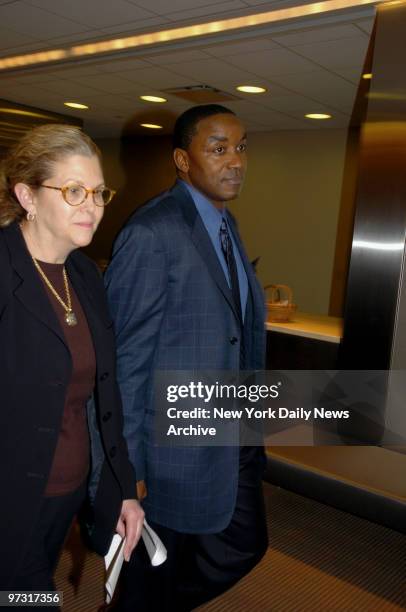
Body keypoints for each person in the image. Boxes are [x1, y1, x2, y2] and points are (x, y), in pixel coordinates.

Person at [105, 104, 268, 611]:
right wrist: (125, 466)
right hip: (169, 449)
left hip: (226, 431)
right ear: (181, 159)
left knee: (240, 543)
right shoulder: (152, 232)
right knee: (152, 572)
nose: (235, 161)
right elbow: (124, 361)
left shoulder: (226, 224)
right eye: (218, 148)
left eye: (240, 148)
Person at [0, 124, 144, 595]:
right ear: (27, 195)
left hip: (66, 494)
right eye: (74, 190)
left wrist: (121, 487)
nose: (93, 206)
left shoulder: (84, 274)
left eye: (99, 192)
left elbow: (103, 393)